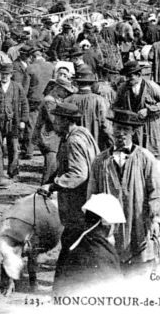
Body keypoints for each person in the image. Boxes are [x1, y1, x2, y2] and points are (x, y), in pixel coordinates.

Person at [86, 110, 160, 269]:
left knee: (139, 268)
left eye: (126, 130)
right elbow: (92, 193)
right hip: (109, 226)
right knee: (110, 266)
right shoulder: (100, 160)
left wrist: (156, 219)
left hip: (137, 220)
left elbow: (157, 191)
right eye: (117, 128)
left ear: (133, 132)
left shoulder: (145, 157)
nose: (121, 134)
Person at [40, 103, 99, 256]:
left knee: (72, 241)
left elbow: (78, 174)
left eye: (57, 120)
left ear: (67, 121)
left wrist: (53, 186)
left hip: (78, 201)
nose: (54, 123)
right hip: (86, 199)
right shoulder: (83, 133)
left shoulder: (73, 141)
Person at [52, 194, 124, 295]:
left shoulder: (73, 237)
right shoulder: (100, 252)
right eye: (115, 223)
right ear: (106, 223)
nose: (116, 228)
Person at [114, 61, 160, 159]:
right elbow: (116, 106)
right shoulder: (123, 88)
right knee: (135, 154)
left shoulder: (152, 86)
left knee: (153, 154)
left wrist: (148, 110)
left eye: (131, 76)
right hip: (134, 128)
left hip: (151, 126)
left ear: (139, 75)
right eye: (127, 76)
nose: (128, 79)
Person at [33, 77, 77, 184]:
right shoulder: (50, 101)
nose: (66, 93)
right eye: (65, 91)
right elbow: (54, 121)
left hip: (51, 137)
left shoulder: (54, 99)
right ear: (57, 88)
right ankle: (44, 191)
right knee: (50, 168)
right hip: (48, 137)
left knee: (52, 166)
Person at [64, 69, 113, 151]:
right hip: (95, 145)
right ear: (92, 83)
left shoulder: (67, 100)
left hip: (73, 145)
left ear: (76, 83)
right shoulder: (100, 100)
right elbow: (107, 127)